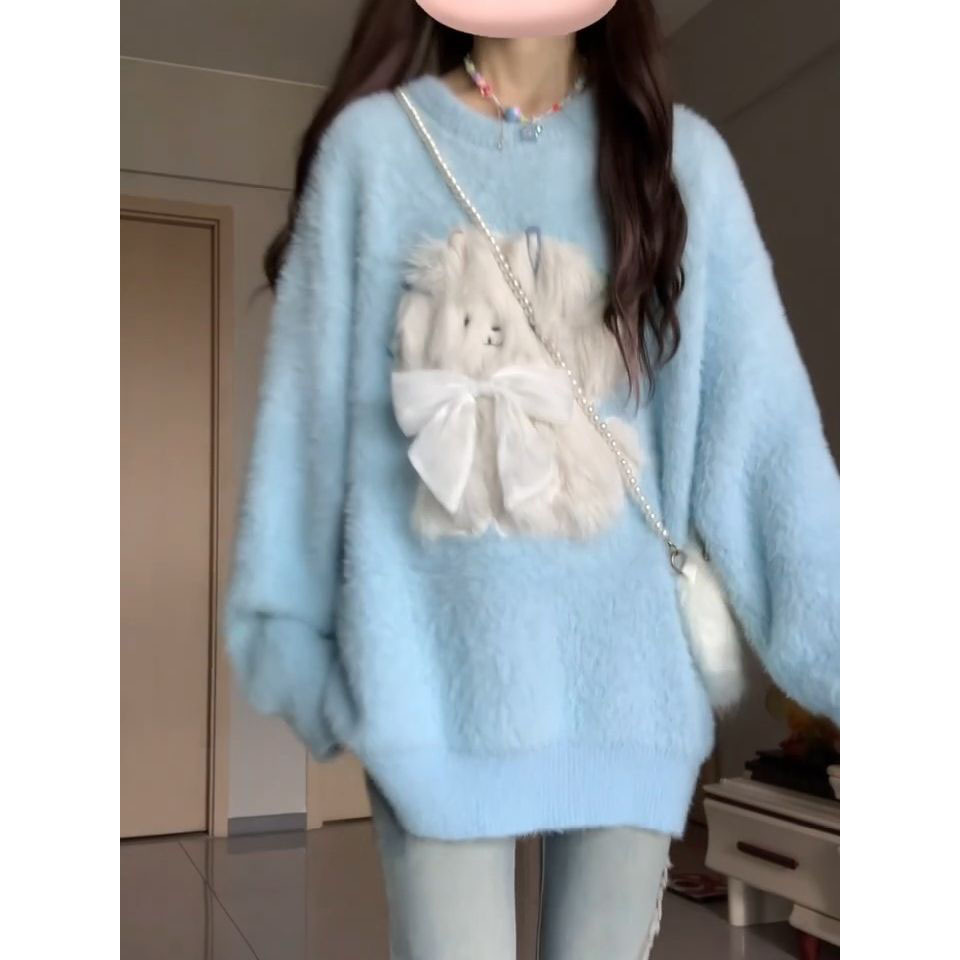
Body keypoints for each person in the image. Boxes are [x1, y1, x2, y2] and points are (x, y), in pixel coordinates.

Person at [225, 2, 840, 957]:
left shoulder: (683, 165)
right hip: (430, 692)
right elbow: (308, 429)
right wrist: (292, 646)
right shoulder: (373, 154)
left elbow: (764, 442)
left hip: (632, 692)